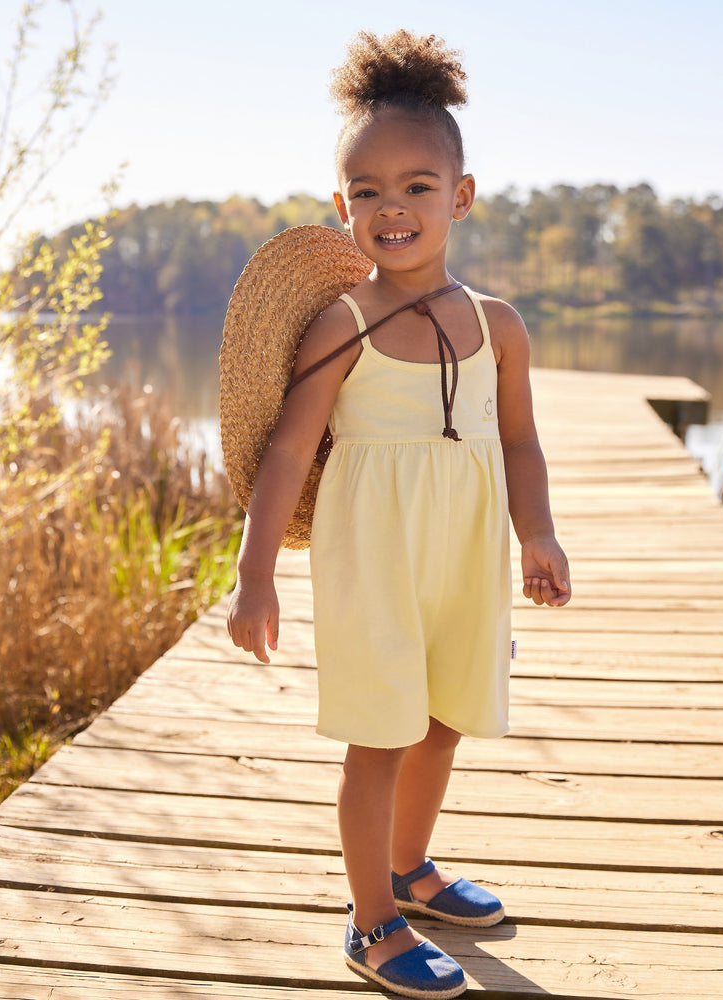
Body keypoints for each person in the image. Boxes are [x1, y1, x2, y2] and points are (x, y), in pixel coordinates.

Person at [226, 29, 571, 1000]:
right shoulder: (340, 325)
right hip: (373, 562)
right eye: (368, 190)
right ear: (342, 208)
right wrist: (254, 573)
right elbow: (287, 450)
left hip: (462, 561)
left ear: (460, 196)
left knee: (443, 719)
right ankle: (370, 919)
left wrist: (538, 533)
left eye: (418, 185)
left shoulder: (498, 325)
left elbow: (520, 443)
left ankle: (410, 869)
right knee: (380, 733)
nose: (393, 207)